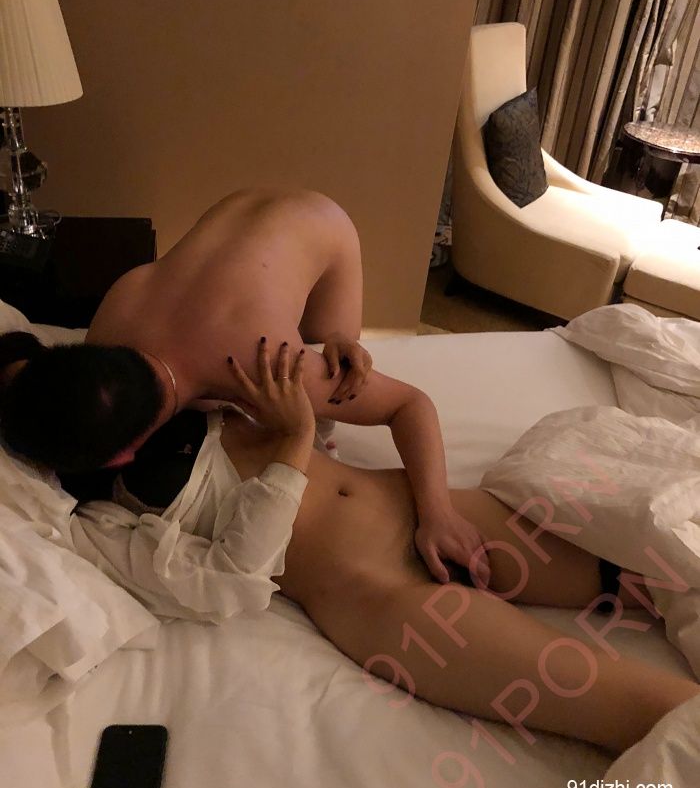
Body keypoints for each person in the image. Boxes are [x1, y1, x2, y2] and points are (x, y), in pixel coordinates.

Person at [70, 341, 699, 755]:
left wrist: (437, 510)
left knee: (661, 571)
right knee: (645, 713)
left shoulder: (220, 376)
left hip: (426, 513)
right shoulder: (102, 519)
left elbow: (406, 403)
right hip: (380, 601)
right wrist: (297, 436)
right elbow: (228, 582)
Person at [0, 188, 487, 586]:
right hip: (234, 211)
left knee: (338, 372)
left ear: (123, 455)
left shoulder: (265, 361)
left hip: (322, 224)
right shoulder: (109, 329)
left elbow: (409, 404)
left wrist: (438, 514)